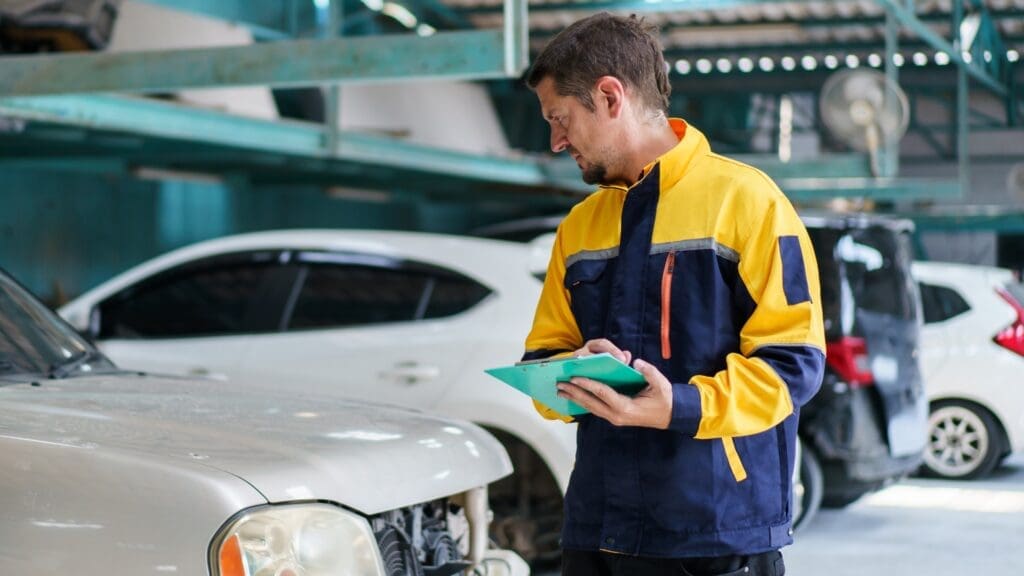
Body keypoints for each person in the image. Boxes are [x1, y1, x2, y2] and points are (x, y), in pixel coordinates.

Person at [520, 12, 826, 576]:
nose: (557, 140)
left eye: (560, 118)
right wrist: (565, 373)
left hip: (711, 532)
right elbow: (542, 357)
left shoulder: (747, 202)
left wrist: (680, 407)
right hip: (597, 529)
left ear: (611, 96)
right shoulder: (580, 226)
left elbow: (794, 364)